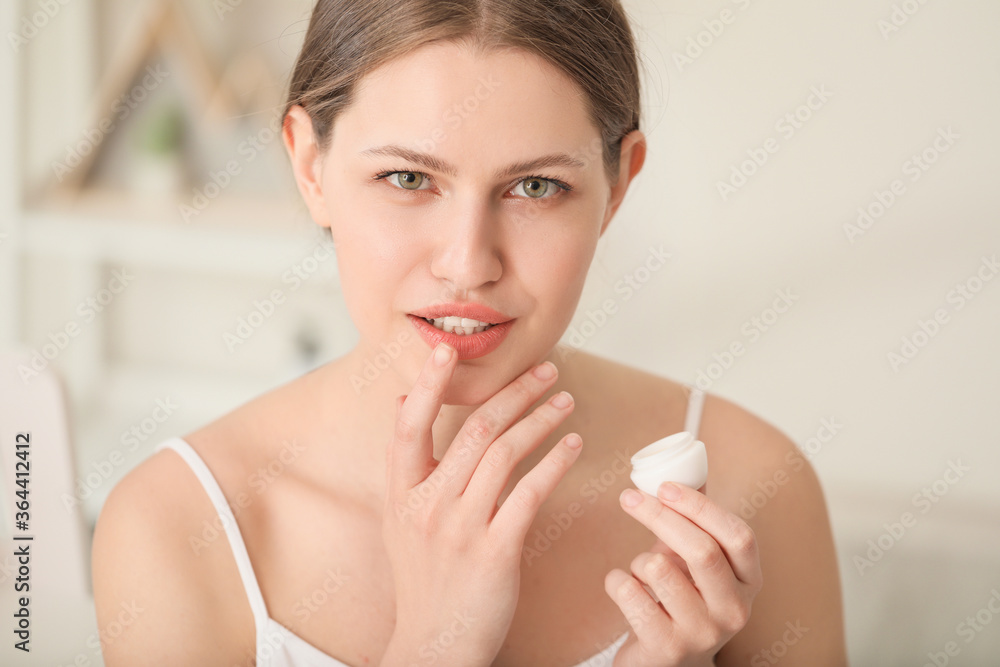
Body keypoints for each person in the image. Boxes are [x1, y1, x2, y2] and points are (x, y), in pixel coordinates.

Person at [92, 0, 847, 664]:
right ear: (310, 164)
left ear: (617, 185)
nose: (468, 263)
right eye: (409, 179)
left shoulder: (751, 490)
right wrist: (436, 643)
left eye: (535, 187)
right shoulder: (177, 528)